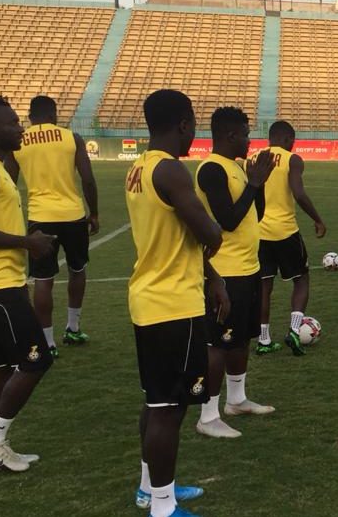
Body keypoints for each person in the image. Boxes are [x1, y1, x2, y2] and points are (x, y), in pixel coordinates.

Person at [126, 89, 229, 516]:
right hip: (173, 305)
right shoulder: (171, 171)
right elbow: (210, 233)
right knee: (168, 409)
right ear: (184, 123)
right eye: (193, 126)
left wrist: (212, 276)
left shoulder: (140, 166)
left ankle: (151, 488)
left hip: (151, 298)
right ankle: (163, 507)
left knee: (158, 403)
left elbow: (178, 238)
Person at [194, 107, 276, 439]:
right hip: (224, 272)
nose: (248, 139)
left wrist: (260, 184)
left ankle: (237, 400)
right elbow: (227, 220)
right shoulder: (212, 169)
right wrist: (254, 184)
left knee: (240, 338)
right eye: (244, 133)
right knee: (218, 343)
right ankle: (208, 414)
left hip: (248, 267)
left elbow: (254, 213)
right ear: (230, 135)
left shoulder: (237, 167)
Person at [4, 95, 99, 357]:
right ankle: (73, 327)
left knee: (43, 280)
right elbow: (88, 180)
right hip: (73, 215)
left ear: (31, 116)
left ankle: (47, 342)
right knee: (77, 270)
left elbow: (8, 180)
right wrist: (95, 214)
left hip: (40, 216)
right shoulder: (71, 138)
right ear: (53, 114)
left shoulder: (20, 140)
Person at [0, 95, 55, 472]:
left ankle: (0, 447)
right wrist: (26, 242)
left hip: (6, 281)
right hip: (0, 286)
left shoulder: (3, 168)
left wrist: (25, 235)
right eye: (12, 122)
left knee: (1, 367)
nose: (21, 127)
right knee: (37, 360)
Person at [253, 121, 326, 356]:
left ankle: (263, 340)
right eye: (291, 141)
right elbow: (299, 192)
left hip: (259, 233)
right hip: (285, 231)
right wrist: (317, 219)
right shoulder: (291, 160)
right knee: (301, 280)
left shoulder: (252, 159)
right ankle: (294, 331)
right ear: (286, 139)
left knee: (264, 287)